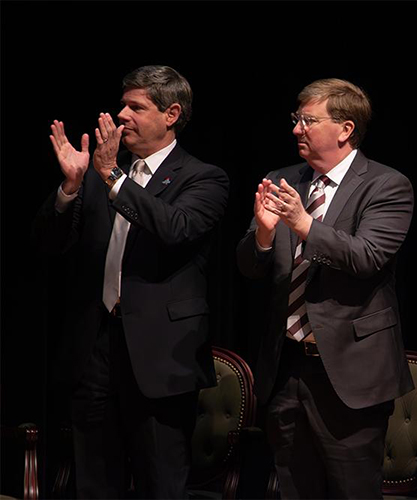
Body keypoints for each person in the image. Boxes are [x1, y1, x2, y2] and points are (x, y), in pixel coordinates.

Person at [32, 65, 229, 499]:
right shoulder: (100, 172)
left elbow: (175, 228)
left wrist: (112, 178)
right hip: (95, 348)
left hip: (160, 356)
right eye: (123, 105)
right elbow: (48, 244)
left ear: (171, 113)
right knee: (95, 484)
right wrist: (69, 187)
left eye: (135, 107)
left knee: (160, 484)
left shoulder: (203, 177)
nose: (121, 115)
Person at [237, 78, 414, 498]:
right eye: (295, 119)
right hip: (287, 367)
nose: (296, 129)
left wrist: (303, 225)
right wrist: (262, 236)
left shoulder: (386, 185)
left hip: (350, 372)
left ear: (345, 129)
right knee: (294, 488)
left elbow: (367, 256)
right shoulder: (282, 180)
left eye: (308, 120)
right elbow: (248, 268)